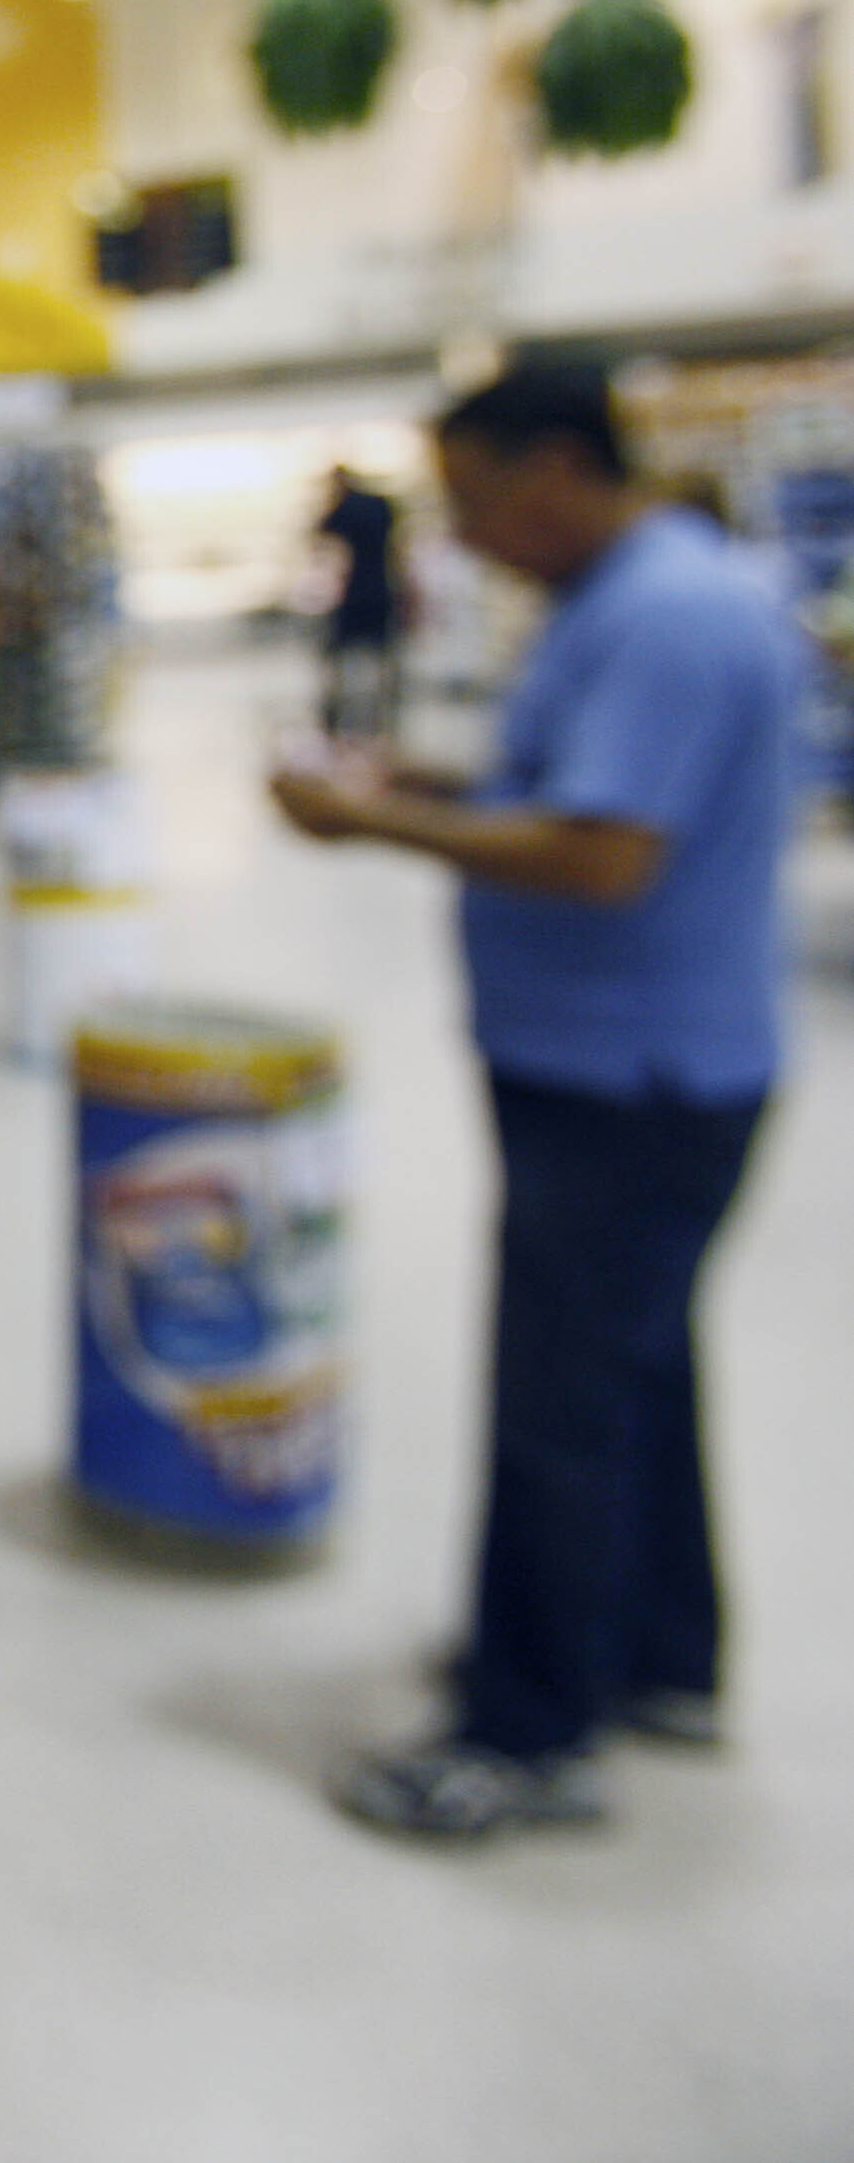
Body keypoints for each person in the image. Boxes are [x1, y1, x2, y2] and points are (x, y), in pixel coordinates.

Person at [270, 360, 805, 1841]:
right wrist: (425, 772)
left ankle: (526, 1733)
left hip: (625, 1082)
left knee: (558, 1405)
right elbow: (563, 783)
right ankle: (655, 1659)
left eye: (477, 496)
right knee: (637, 1376)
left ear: (559, 466)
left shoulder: (666, 619)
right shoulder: (647, 597)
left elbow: (598, 855)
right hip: (646, 1069)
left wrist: (367, 820)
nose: (466, 532)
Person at [312, 464, 404, 739]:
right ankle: (385, 719)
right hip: (383, 588)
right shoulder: (380, 505)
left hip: (356, 591)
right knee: (383, 660)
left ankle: (333, 720)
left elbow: (320, 533)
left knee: (338, 660)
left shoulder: (343, 508)